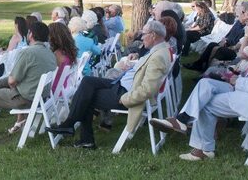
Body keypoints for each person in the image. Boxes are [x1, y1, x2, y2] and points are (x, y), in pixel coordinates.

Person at [149, 5, 248, 161]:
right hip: (246, 90)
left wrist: (238, 81)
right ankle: (182, 121)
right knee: (205, 84)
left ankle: (203, 149)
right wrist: (238, 74)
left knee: (205, 104)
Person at [46, 20, 171, 150]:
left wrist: (125, 99)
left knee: (86, 97)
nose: (141, 37)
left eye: (143, 34)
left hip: (125, 93)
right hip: (121, 84)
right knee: (87, 81)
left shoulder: (158, 57)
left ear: (153, 35)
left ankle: (79, 133)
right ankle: (71, 126)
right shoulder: (159, 51)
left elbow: (147, 90)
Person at [184, 1, 248, 72]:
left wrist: (228, 43)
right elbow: (230, 34)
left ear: (246, 13)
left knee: (216, 49)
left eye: (240, 11)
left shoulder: (247, 27)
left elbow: (239, 43)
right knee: (212, 45)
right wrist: (224, 39)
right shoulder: (238, 22)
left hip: (234, 49)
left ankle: (203, 68)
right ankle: (198, 64)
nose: (237, 11)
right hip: (227, 43)